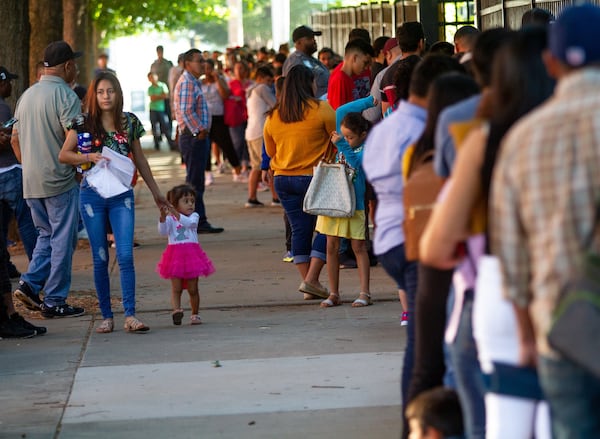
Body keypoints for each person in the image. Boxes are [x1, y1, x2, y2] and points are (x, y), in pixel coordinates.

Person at [421, 27, 554, 439]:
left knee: (494, 426)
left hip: (492, 291)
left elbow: (437, 247)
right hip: (574, 296)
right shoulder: (580, 130)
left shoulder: (481, 137)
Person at [490, 5, 600, 437]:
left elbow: (512, 258)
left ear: (551, 63)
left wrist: (526, 337)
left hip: (560, 326)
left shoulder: (523, 138)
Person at [59, 71, 170, 333]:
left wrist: (156, 193)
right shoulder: (82, 123)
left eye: (110, 91)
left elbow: (140, 159)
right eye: (100, 92)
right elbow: (64, 154)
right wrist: (88, 157)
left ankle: (130, 314)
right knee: (99, 257)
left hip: (122, 196)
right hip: (91, 196)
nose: (106, 96)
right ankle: (106, 316)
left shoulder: (129, 122)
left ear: (118, 93)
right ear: (93, 96)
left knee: (125, 255)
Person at [11, 41, 85, 318]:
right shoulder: (66, 96)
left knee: (46, 235)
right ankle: (55, 300)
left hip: (31, 180)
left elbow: (15, 138)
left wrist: (28, 164)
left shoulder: (26, 96)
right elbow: (76, 135)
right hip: (59, 179)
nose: (75, 69)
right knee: (63, 241)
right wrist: (81, 164)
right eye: (74, 64)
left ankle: (29, 285)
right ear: (67, 66)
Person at [263, 65, 335, 300]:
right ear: (308, 84)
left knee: (299, 229)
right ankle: (312, 279)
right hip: (315, 177)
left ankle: (308, 283)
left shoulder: (273, 116)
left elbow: (271, 151)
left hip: (283, 179)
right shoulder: (321, 109)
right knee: (331, 225)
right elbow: (336, 139)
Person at [317, 96, 375, 308]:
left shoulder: (364, 150)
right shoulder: (343, 145)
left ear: (363, 135)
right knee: (331, 247)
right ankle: (334, 293)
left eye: (351, 137)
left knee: (359, 247)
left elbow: (357, 166)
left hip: (356, 205)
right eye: (345, 136)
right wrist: (370, 101)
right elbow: (342, 109)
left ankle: (365, 292)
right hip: (335, 203)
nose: (346, 139)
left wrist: (342, 144)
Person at [173, 48, 224, 234]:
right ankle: (195, 221)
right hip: (193, 137)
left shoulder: (193, 82)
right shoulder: (187, 82)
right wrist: (199, 130)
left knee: (197, 180)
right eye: (199, 61)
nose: (203, 64)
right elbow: (186, 111)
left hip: (196, 136)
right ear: (187, 64)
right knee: (194, 182)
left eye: (203, 61)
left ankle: (195, 219)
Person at [157, 184, 215, 326]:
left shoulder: (194, 216)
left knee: (193, 288)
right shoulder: (170, 219)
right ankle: (177, 310)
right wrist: (163, 217)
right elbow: (163, 232)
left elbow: (190, 224)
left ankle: (195, 314)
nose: (190, 204)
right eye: (186, 201)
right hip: (175, 256)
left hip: (192, 257)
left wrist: (175, 213)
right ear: (175, 204)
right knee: (176, 288)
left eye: (192, 201)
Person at [200, 59, 245, 181]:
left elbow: (225, 95)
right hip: (205, 118)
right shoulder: (200, 82)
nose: (206, 71)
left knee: (227, 144)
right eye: (204, 68)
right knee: (205, 146)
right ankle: (208, 173)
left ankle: (237, 170)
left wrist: (217, 79)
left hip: (218, 116)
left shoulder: (220, 81)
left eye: (209, 68)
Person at [244, 65, 276, 207]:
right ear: (261, 78)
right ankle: (276, 198)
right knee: (269, 166)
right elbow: (276, 105)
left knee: (256, 166)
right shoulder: (262, 88)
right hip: (261, 132)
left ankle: (252, 197)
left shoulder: (250, 90)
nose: (270, 84)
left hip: (250, 132)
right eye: (269, 80)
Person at [379, 22, 425, 115]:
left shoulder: (386, 75)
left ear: (399, 44)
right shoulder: (428, 69)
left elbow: (385, 112)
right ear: (420, 43)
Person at [283, 25, 329, 99]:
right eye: (309, 38)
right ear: (299, 42)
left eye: (314, 38)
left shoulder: (311, 59)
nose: (314, 41)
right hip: (311, 108)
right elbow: (296, 93)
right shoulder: (295, 62)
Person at [327, 38, 374, 110]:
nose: (366, 68)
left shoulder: (348, 77)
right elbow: (338, 114)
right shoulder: (340, 80)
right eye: (365, 62)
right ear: (355, 58)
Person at [147, 72, 176, 151]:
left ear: (156, 77)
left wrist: (157, 96)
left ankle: (171, 144)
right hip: (153, 110)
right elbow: (152, 98)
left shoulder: (162, 85)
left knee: (166, 127)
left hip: (161, 110)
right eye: (150, 78)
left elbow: (166, 96)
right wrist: (160, 96)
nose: (152, 79)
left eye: (153, 77)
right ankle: (157, 145)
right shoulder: (150, 88)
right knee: (154, 128)